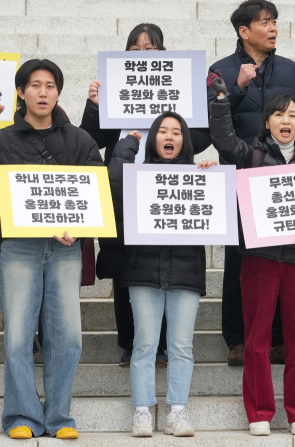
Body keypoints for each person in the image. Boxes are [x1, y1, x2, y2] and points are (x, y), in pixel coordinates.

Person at [0, 58, 103, 439]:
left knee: (68, 335)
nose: (43, 92)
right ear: (20, 92)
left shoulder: (79, 139)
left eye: (50, 86)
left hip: (67, 249)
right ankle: (21, 415)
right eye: (35, 85)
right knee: (19, 336)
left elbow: (96, 193)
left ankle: (59, 417)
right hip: (19, 247)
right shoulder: (1, 138)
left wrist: (82, 229)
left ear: (58, 92)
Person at [80, 23, 210, 367]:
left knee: (169, 263)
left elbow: (200, 136)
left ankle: (164, 345)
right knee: (126, 266)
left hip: (169, 188)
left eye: (150, 49)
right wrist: (95, 105)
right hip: (124, 188)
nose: (142, 55)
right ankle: (129, 341)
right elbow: (90, 139)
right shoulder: (113, 92)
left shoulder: (180, 92)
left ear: (164, 55)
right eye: (134, 50)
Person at [209, 71, 295, 435]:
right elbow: (224, 140)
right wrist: (222, 102)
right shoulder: (250, 155)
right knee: (256, 337)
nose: (286, 121)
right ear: (267, 121)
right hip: (259, 260)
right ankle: (259, 412)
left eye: (292, 115)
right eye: (278, 114)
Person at [207, 0, 295, 366]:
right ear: (243, 30)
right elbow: (211, 124)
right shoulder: (220, 70)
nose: (273, 28)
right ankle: (237, 337)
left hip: (285, 177)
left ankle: (279, 337)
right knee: (241, 261)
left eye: (275, 22)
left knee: (285, 257)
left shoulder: (290, 69)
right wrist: (235, 88)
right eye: (265, 22)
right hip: (242, 175)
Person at [108, 111, 211, 438]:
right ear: (153, 138)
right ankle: (142, 410)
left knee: (181, 346)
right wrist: (128, 145)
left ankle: (177, 411)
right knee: (144, 344)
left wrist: (210, 176)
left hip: (186, 270)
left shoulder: (199, 174)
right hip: (142, 270)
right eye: (163, 131)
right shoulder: (136, 173)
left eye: (177, 132)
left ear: (185, 140)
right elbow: (113, 180)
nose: (170, 137)